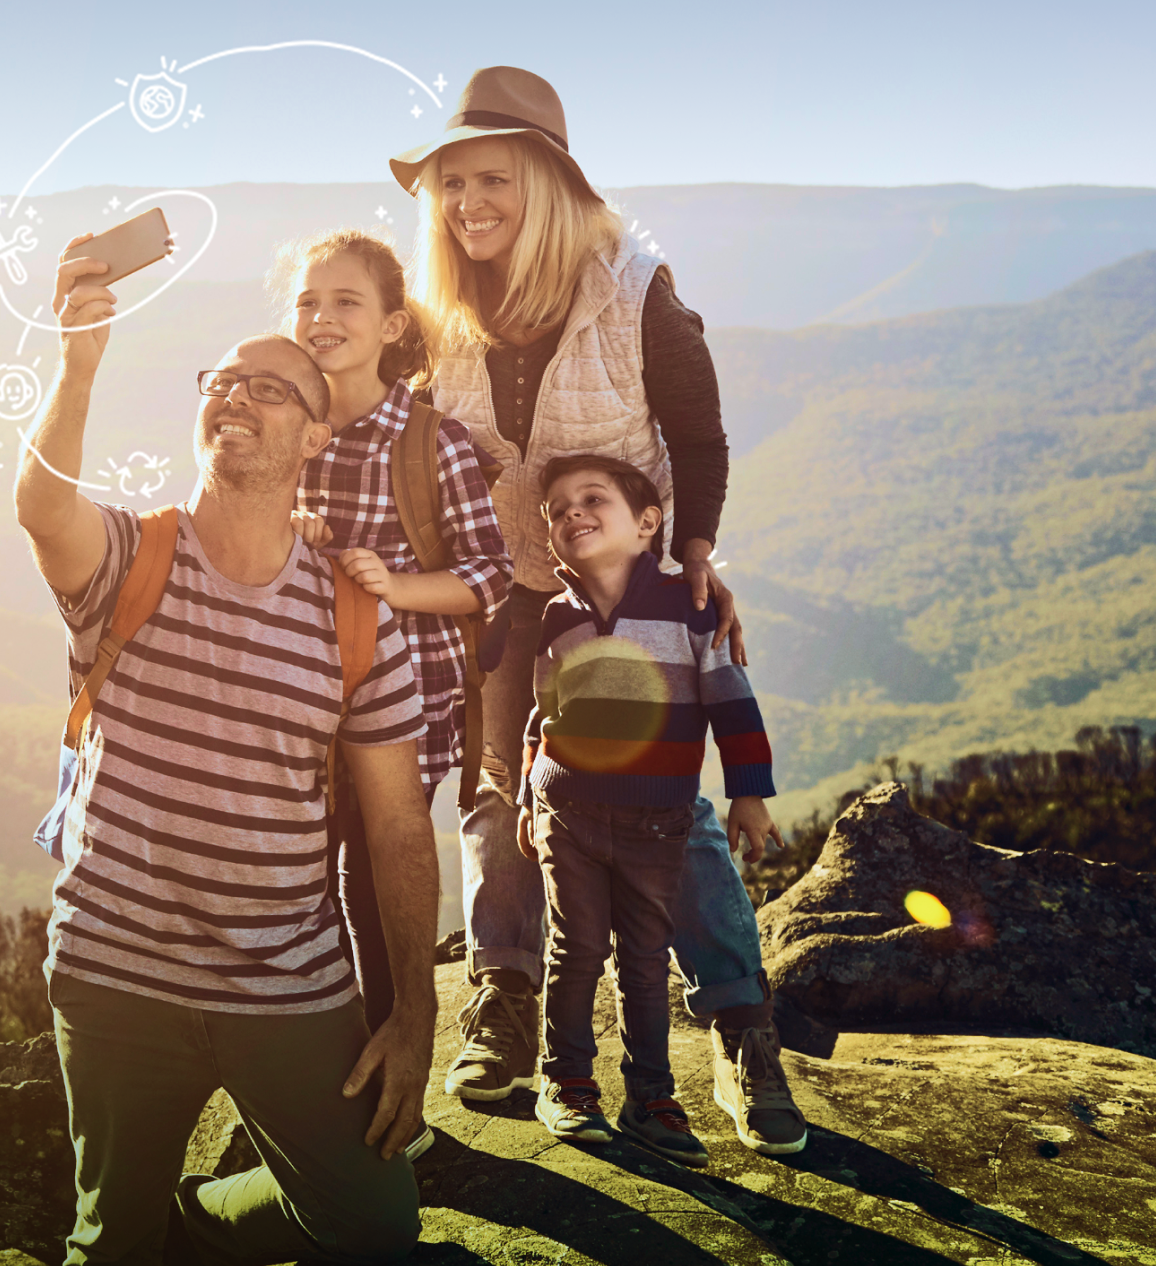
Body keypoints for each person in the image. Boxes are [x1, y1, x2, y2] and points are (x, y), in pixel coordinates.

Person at [13, 233, 438, 1266]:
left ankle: (193, 1226)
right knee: (105, 1260)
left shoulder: (354, 616)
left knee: (372, 1223)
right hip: (119, 971)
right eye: (224, 382)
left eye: (273, 387)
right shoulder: (131, 559)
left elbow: (394, 824)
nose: (239, 397)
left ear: (317, 431)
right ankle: (136, 1232)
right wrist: (78, 364)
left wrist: (414, 1013)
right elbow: (41, 507)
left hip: (287, 983)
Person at [390, 65, 805, 1156]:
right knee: (499, 793)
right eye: (451, 184)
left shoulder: (635, 290)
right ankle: (508, 997)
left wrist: (697, 559)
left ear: (548, 184)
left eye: (492, 179)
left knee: (670, 808)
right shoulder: (431, 314)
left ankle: (737, 1019)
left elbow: (700, 436)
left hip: (622, 590)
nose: (468, 204)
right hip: (497, 589)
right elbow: (360, 400)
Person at [514, 454, 790, 1161]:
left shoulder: (687, 607)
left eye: (591, 498)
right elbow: (540, 715)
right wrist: (526, 800)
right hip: (567, 813)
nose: (570, 512)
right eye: (556, 509)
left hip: (658, 822)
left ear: (647, 523)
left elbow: (732, 700)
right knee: (574, 953)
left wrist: (749, 793)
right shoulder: (556, 616)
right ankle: (568, 1083)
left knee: (642, 961)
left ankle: (653, 1100)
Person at [276, 228, 512, 1031]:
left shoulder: (427, 440)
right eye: (308, 301)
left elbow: (489, 575)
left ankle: (392, 1044)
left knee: (378, 875)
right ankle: (327, 1049)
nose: (321, 317)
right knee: (308, 877)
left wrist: (395, 584)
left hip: (406, 697)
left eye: (346, 301)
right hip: (299, 695)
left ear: (392, 325)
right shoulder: (282, 430)